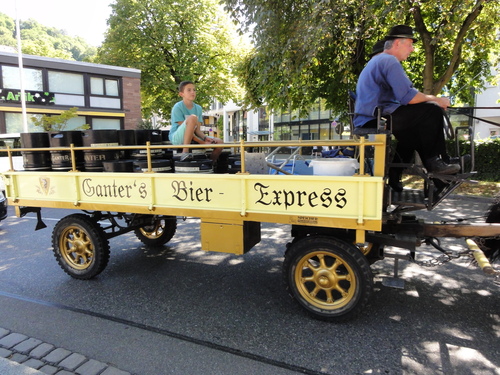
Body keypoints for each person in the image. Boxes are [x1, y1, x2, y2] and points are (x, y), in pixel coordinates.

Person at [354, 25, 460, 192]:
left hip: (371, 116)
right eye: (409, 44)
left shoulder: (377, 61)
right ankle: (439, 162)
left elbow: (402, 99)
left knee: (410, 136)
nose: (412, 49)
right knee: (431, 111)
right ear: (397, 43)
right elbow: (408, 97)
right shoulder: (389, 60)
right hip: (378, 117)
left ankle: (404, 178)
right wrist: (437, 100)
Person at [170, 81, 223, 162]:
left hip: (193, 136)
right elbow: (187, 131)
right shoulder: (177, 107)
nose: (192, 92)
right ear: (181, 94)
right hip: (178, 137)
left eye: (194, 90)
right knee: (193, 118)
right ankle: (185, 152)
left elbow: (197, 130)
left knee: (219, 142)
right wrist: (201, 142)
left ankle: (211, 164)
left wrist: (205, 138)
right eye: (189, 90)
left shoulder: (198, 108)